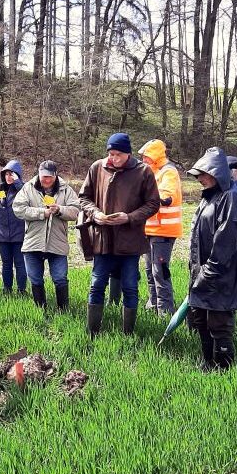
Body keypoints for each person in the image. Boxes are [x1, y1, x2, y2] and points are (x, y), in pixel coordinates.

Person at [78, 132, 160, 336]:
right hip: (102, 239)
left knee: (130, 287)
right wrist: (95, 213)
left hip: (130, 242)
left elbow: (153, 203)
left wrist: (129, 217)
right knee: (96, 284)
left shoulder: (143, 172)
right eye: (110, 153)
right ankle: (92, 332)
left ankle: (128, 334)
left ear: (128, 154)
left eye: (117, 154)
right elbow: (84, 197)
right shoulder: (97, 167)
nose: (112, 158)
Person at [186, 147, 237, 371]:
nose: (200, 179)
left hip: (220, 277)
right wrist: (195, 273)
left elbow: (226, 243)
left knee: (219, 324)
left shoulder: (231, 199)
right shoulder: (208, 199)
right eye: (198, 175)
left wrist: (207, 274)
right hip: (201, 275)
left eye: (204, 174)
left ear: (218, 173)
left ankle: (223, 370)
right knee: (201, 320)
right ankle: (207, 364)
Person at [12, 160, 81, 310]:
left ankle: (63, 310)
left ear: (55, 176)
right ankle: (40, 310)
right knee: (35, 280)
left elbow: (76, 210)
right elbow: (18, 208)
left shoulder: (66, 190)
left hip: (57, 242)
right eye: (44, 176)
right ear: (39, 174)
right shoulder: (28, 188)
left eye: (50, 177)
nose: (46, 180)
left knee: (60, 278)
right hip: (33, 242)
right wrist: (41, 213)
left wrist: (60, 210)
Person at [137, 139, 183, 316]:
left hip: (164, 232)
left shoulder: (168, 171)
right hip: (150, 231)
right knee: (150, 270)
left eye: (146, 156)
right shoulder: (151, 172)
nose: (143, 160)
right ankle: (153, 305)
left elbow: (167, 197)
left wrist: (147, 199)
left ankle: (165, 311)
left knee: (160, 272)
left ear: (155, 156)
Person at [0, 160, 27, 295]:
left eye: (12, 174)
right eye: (7, 174)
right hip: (3, 234)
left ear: (18, 175)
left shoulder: (22, 189)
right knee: (6, 264)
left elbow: (28, 196)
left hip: (19, 233)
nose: (9, 177)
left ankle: (21, 290)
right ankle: (7, 290)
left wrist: (17, 183)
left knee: (20, 264)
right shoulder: (1, 190)